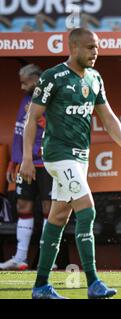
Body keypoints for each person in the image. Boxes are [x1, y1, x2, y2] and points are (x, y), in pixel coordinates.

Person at [20, 28, 121, 299]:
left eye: (96, 47)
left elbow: (108, 118)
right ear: (73, 47)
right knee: (87, 210)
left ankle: (40, 286)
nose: (95, 52)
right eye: (89, 47)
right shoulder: (53, 77)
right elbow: (32, 118)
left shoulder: (95, 78)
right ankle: (94, 282)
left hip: (80, 157)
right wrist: (28, 158)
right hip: (58, 155)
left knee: (59, 216)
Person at [0, 64, 54, 271]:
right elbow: (20, 132)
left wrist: (39, 118)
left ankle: (47, 259)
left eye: (25, 82)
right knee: (23, 206)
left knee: (49, 209)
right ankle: (20, 257)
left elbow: (56, 127)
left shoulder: (50, 98)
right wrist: (15, 160)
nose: (22, 87)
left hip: (46, 162)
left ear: (36, 80)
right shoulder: (25, 99)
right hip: (25, 163)